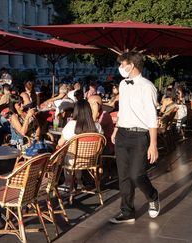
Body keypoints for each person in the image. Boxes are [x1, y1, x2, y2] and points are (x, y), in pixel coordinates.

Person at [110, 51, 160, 224]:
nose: (120, 68)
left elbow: (152, 117)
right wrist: (116, 129)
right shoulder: (123, 84)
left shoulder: (147, 86)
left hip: (140, 135)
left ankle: (152, 195)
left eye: (123, 64)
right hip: (123, 133)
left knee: (136, 174)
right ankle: (127, 211)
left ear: (132, 65)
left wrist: (153, 144)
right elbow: (123, 110)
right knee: (123, 176)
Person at [57, 99, 103, 188]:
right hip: (92, 160)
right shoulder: (97, 126)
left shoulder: (71, 125)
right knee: (75, 154)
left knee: (67, 152)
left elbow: (60, 143)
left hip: (73, 160)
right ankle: (79, 182)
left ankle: (68, 182)